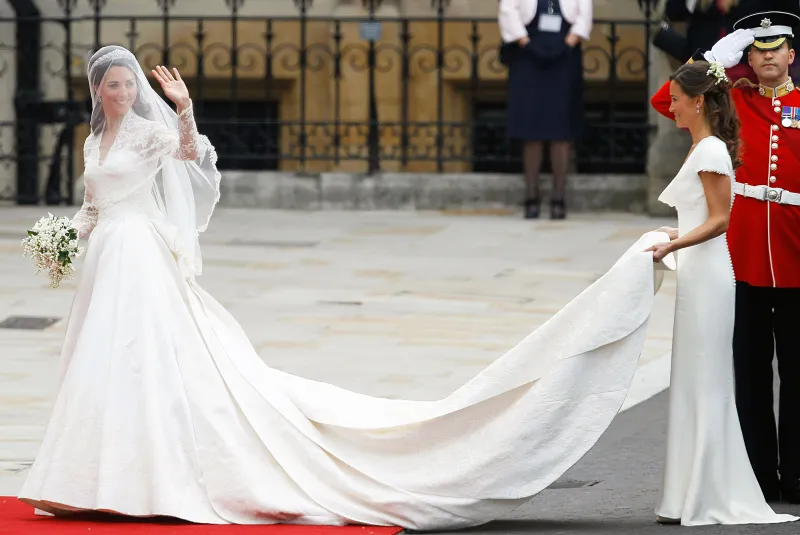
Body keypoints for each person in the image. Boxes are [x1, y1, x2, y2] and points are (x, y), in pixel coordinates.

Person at [13, 45, 691, 529]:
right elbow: (93, 206)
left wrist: (184, 111)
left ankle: (144, 474)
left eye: (129, 86)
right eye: (112, 87)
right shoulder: (91, 143)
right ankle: (85, 475)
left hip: (142, 262)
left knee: (144, 357)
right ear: (97, 92)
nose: (121, 94)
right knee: (99, 363)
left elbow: (190, 157)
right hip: (106, 257)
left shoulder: (148, 137)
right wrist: (64, 238)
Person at [652, 3, 800, 504]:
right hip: (743, 253)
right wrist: (713, 61)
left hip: (795, 249)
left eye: (774, 48)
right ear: (747, 59)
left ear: (791, 54)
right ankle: (758, 473)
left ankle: (797, 473)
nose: (766, 57)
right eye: (756, 51)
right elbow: (666, 101)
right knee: (751, 370)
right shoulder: (734, 99)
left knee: (798, 372)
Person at [498, 0, 592, 219]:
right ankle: (531, 196)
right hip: (527, 56)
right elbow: (508, 9)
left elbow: (584, 12)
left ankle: (558, 197)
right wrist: (524, 42)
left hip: (565, 54)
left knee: (561, 127)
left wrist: (571, 40)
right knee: (531, 127)